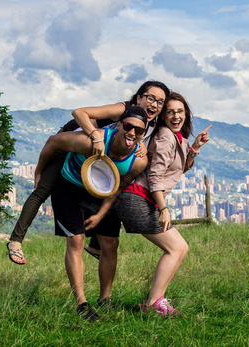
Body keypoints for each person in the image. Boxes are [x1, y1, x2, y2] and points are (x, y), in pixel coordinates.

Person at [6, 80, 170, 264]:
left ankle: (96, 244)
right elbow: (79, 113)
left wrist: (140, 144)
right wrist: (94, 137)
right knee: (42, 189)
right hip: (69, 141)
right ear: (139, 97)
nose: (154, 104)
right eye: (151, 98)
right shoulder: (121, 109)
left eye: (160, 102)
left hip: (92, 153)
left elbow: (132, 135)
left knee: (111, 187)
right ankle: (15, 240)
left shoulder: (151, 123)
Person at [87, 92, 211, 316]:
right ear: (163, 117)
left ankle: (156, 301)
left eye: (180, 111)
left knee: (179, 249)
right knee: (177, 248)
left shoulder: (177, 138)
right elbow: (155, 176)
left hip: (142, 199)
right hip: (137, 199)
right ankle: (154, 302)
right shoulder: (164, 136)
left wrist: (194, 147)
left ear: (186, 114)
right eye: (170, 112)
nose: (176, 116)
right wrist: (163, 209)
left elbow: (180, 167)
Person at [35, 106, 149, 321]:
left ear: (144, 135)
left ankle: (105, 299)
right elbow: (53, 140)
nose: (132, 133)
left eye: (139, 131)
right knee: (76, 241)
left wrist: (101, 214)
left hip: (103, 193)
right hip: (70, 187)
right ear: (118, 124)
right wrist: (39, 171)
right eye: (128, 126)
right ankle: (81, 303)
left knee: (110, 244)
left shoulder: (139, 160)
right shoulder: (92, 142)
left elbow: (120, 186)